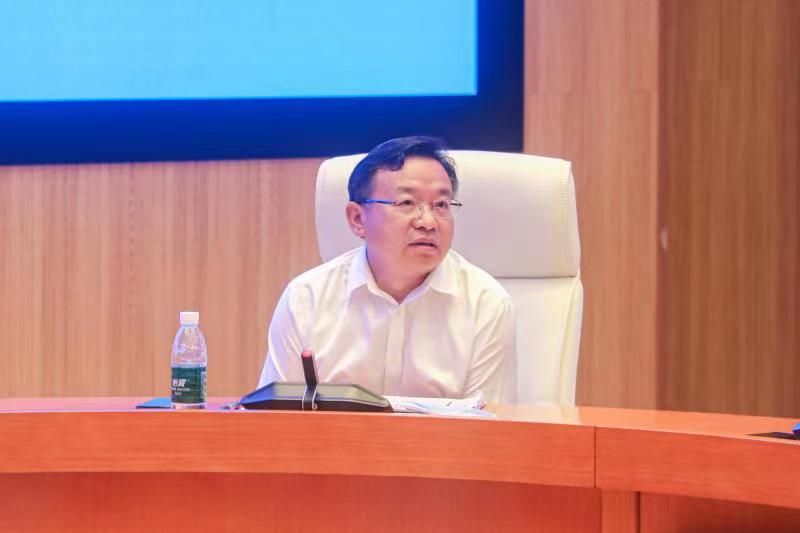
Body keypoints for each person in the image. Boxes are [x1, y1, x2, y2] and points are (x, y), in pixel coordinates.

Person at [257, 136, 516, 403]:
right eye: (406, 203)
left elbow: (489, 421)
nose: (428, 222)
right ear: (358, 219)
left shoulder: (486, 304)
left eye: (441, 205)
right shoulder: (305, 299)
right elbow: (272, 416)